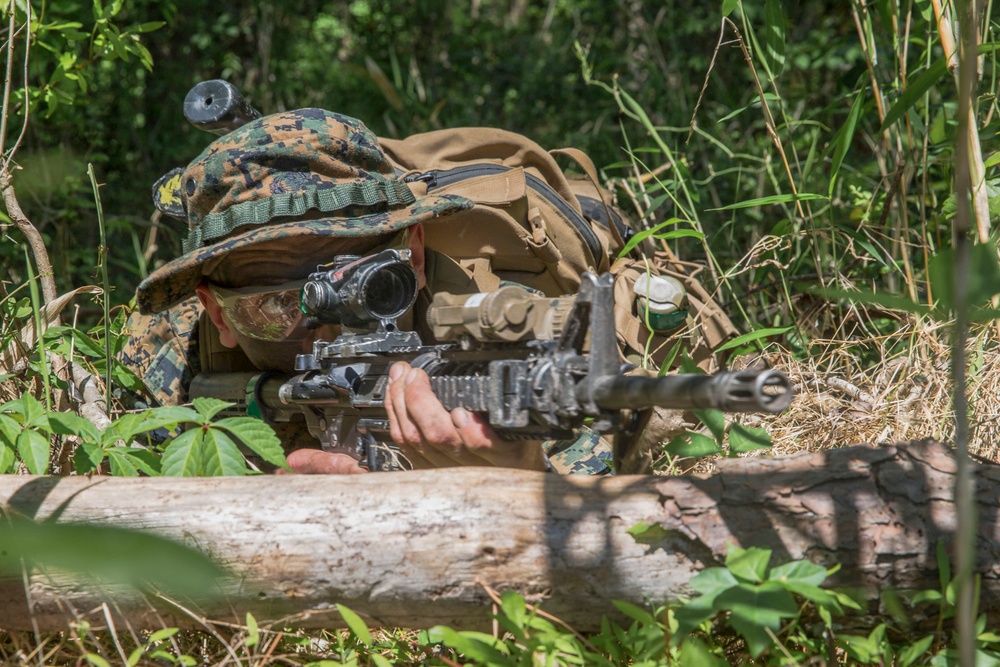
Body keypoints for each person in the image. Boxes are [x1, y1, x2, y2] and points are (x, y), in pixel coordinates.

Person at [124, 107, 613, 475]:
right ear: (217, 313)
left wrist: (518, 480)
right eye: (271, 306)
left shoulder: (498, 337)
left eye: (371, 283)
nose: (326, 330)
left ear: (414, 257)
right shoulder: (173, 349)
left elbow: (607, 525)